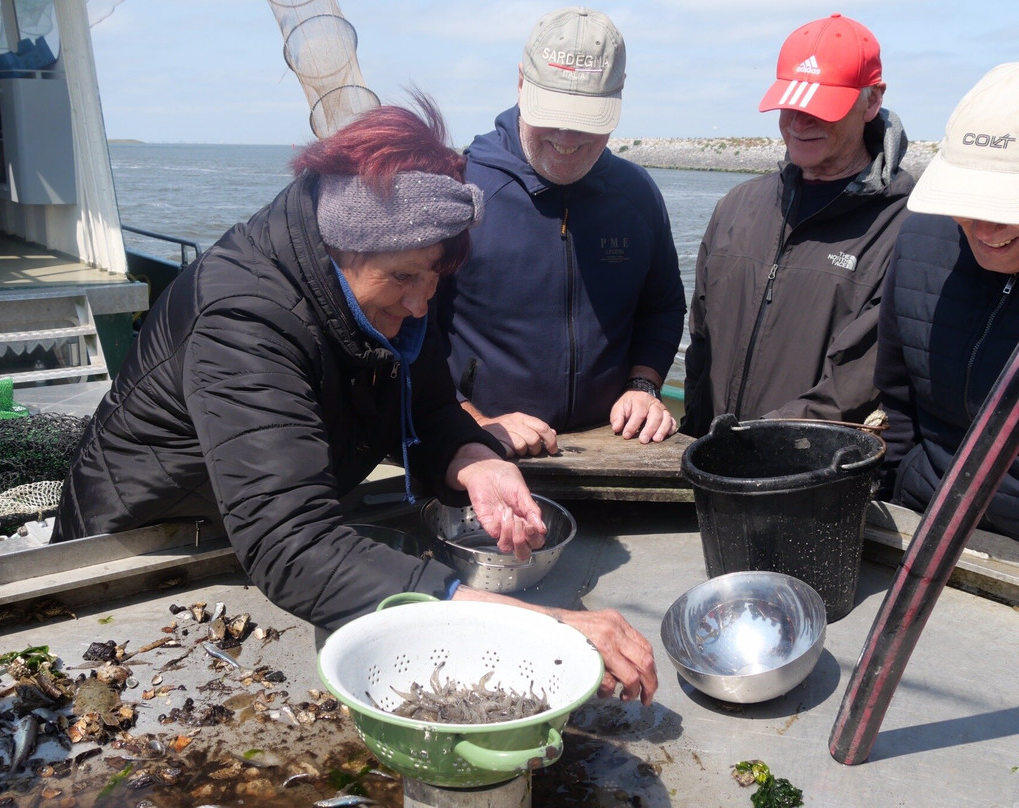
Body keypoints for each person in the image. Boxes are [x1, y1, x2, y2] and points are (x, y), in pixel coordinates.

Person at [53, 97, 657, 703]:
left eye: (435, 279)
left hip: (247, 534)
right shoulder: (244, 319)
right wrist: (534, 624)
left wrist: (476, 460)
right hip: (132, 559)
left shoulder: (396, 287)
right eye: (404, 278)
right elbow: (292, 544)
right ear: (342, 248)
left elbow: (429, 405)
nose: (420, 303)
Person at [436, 7, 686, 457]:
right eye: (552, 114)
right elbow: (407, 330)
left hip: (612, 445)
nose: (568, 138)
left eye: (588, 118)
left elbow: (662, 305)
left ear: (619, 94)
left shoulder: (638, 193)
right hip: (480, 445)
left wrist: (644, 384)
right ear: (520, 83)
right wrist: (470, 419)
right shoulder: (457, 190)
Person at [682, 13, 914, 438]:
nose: (799, 122)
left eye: (821, 107)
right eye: (791, 105)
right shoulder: (737, 206)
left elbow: (855, 385)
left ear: (871, 101)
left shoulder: (907, 228)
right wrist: (697, 437)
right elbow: (701, 341)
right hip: (709, 456)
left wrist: (753, 446)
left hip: (810, 469)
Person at [875, 62, 1019, 539]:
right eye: (968, 200)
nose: (985, 227)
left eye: (1007, 204)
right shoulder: (919, 239)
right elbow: (897, 400)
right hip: (921, 517)